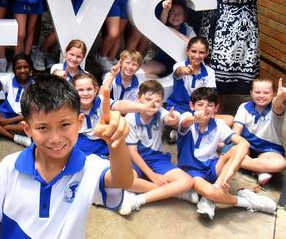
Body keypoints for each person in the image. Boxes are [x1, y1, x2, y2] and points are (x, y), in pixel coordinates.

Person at [0, 74, 133, 238]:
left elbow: (123, 181)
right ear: (27, 129)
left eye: (65, 125)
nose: (55, 139)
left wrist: (117, 144)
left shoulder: (89, 168)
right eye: (42, 127)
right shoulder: (9, 168)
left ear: (80, 122)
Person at [176, 87, 276, 220]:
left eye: (210, 105)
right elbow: (185, 122)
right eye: (200, 105)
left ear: (216, 108)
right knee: (210, 192)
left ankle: (215, 191)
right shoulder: (186, 118)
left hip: (212, 166)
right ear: (192, 106)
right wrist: (194, 118)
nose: (205, 109)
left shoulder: (219, 125)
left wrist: (229, 173)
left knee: (237, 149)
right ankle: (247, 201)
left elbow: (244, 144)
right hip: (191, 171)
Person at [117, 80, 196, 216]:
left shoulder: (160, 112)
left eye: (157, 101)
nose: (152, 104)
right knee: (126, 181)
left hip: (156, 158)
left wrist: (173, 119)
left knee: (187, 182)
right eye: (147, 99)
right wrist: (152, 176)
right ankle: (175, 193)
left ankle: (138, 200)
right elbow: (132, 153)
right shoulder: (130, 118)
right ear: (138, 98)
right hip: (134, 158)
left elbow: (169, 118)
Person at [234, 77, 286, 186]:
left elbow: (277, 104)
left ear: (273, 94)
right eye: (257, 92)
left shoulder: (276, 109)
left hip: (269, 149)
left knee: (281, 164)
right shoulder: (244, 107)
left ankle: (237, 163)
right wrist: (238, 145)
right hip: (246, 145)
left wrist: (280, 98)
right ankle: (260, 170)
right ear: (251, 93)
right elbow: (236, 131)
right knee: (234, 149)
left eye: (266, 93)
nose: (261, 95)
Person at [142, 0, 196, 78]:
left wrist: (173, 31)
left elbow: (195, 44)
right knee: (142, 71)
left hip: (181, 64)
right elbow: (161, 25)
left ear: (185, 16)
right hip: (161, 62)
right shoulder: (161, 24)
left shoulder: (187, 28)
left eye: (180, 13)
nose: (176, 16)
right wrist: (165, 10)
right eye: (172, 13)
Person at [165, 36, 216, 114]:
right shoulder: (179, 65)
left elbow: (210, 96)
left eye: (201, 52)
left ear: (207, 53)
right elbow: (179, 71)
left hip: (198, 111)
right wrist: (186, 71)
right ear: (187, 51)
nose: (197, 56)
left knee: (230, 119)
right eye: (193, 51)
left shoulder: (210, 72)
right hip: (177, 109)